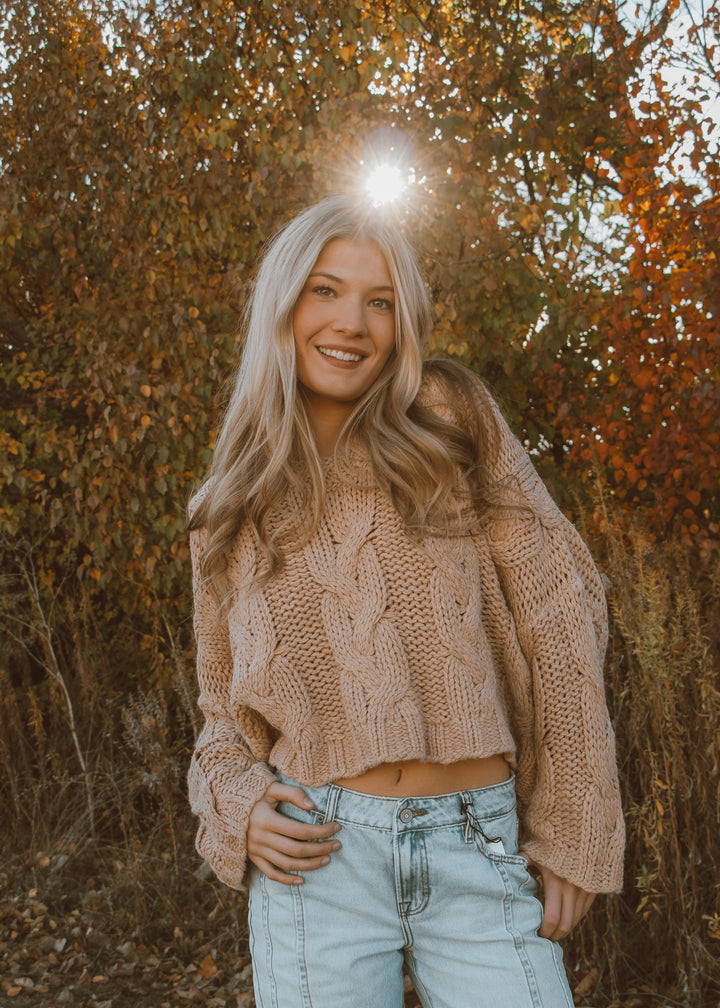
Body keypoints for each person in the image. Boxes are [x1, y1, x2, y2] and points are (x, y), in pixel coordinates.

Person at [187, 194, 624, 1008]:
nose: (351, 322)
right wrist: (237, 804)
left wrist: (575, 822)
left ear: (403, 323)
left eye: (380, 301)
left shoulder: (448, 418)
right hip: (318, 860)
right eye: (325, 290)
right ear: (283, 303)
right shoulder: (230, 505)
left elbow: (560, 608)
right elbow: (221, 715)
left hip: (477, 844)